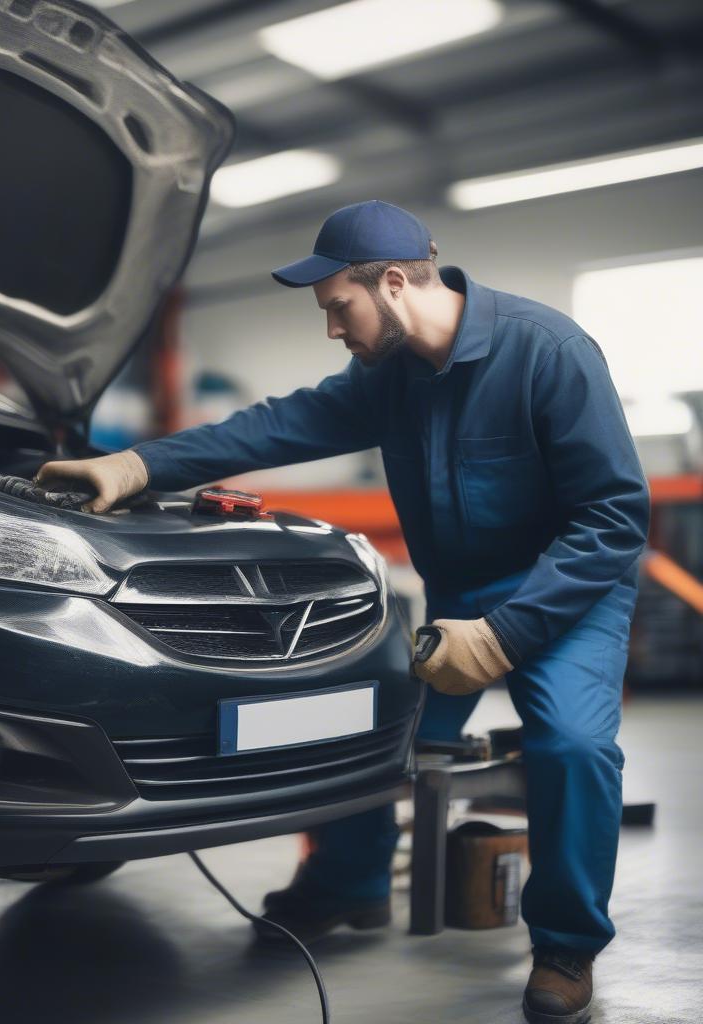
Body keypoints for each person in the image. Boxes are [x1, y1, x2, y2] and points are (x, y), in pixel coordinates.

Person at [36, 200, 649, 1024]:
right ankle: (351, 881)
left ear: (393, 283)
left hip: (570, 594)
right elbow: (276, 426)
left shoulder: (550, 354)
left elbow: (613, 518)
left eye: (337, 308)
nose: (332, 329)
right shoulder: (387, 378)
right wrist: (139, 465)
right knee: (362, 711)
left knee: (573, 745)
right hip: (460, 591)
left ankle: (568, 944)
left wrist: (508, 634)